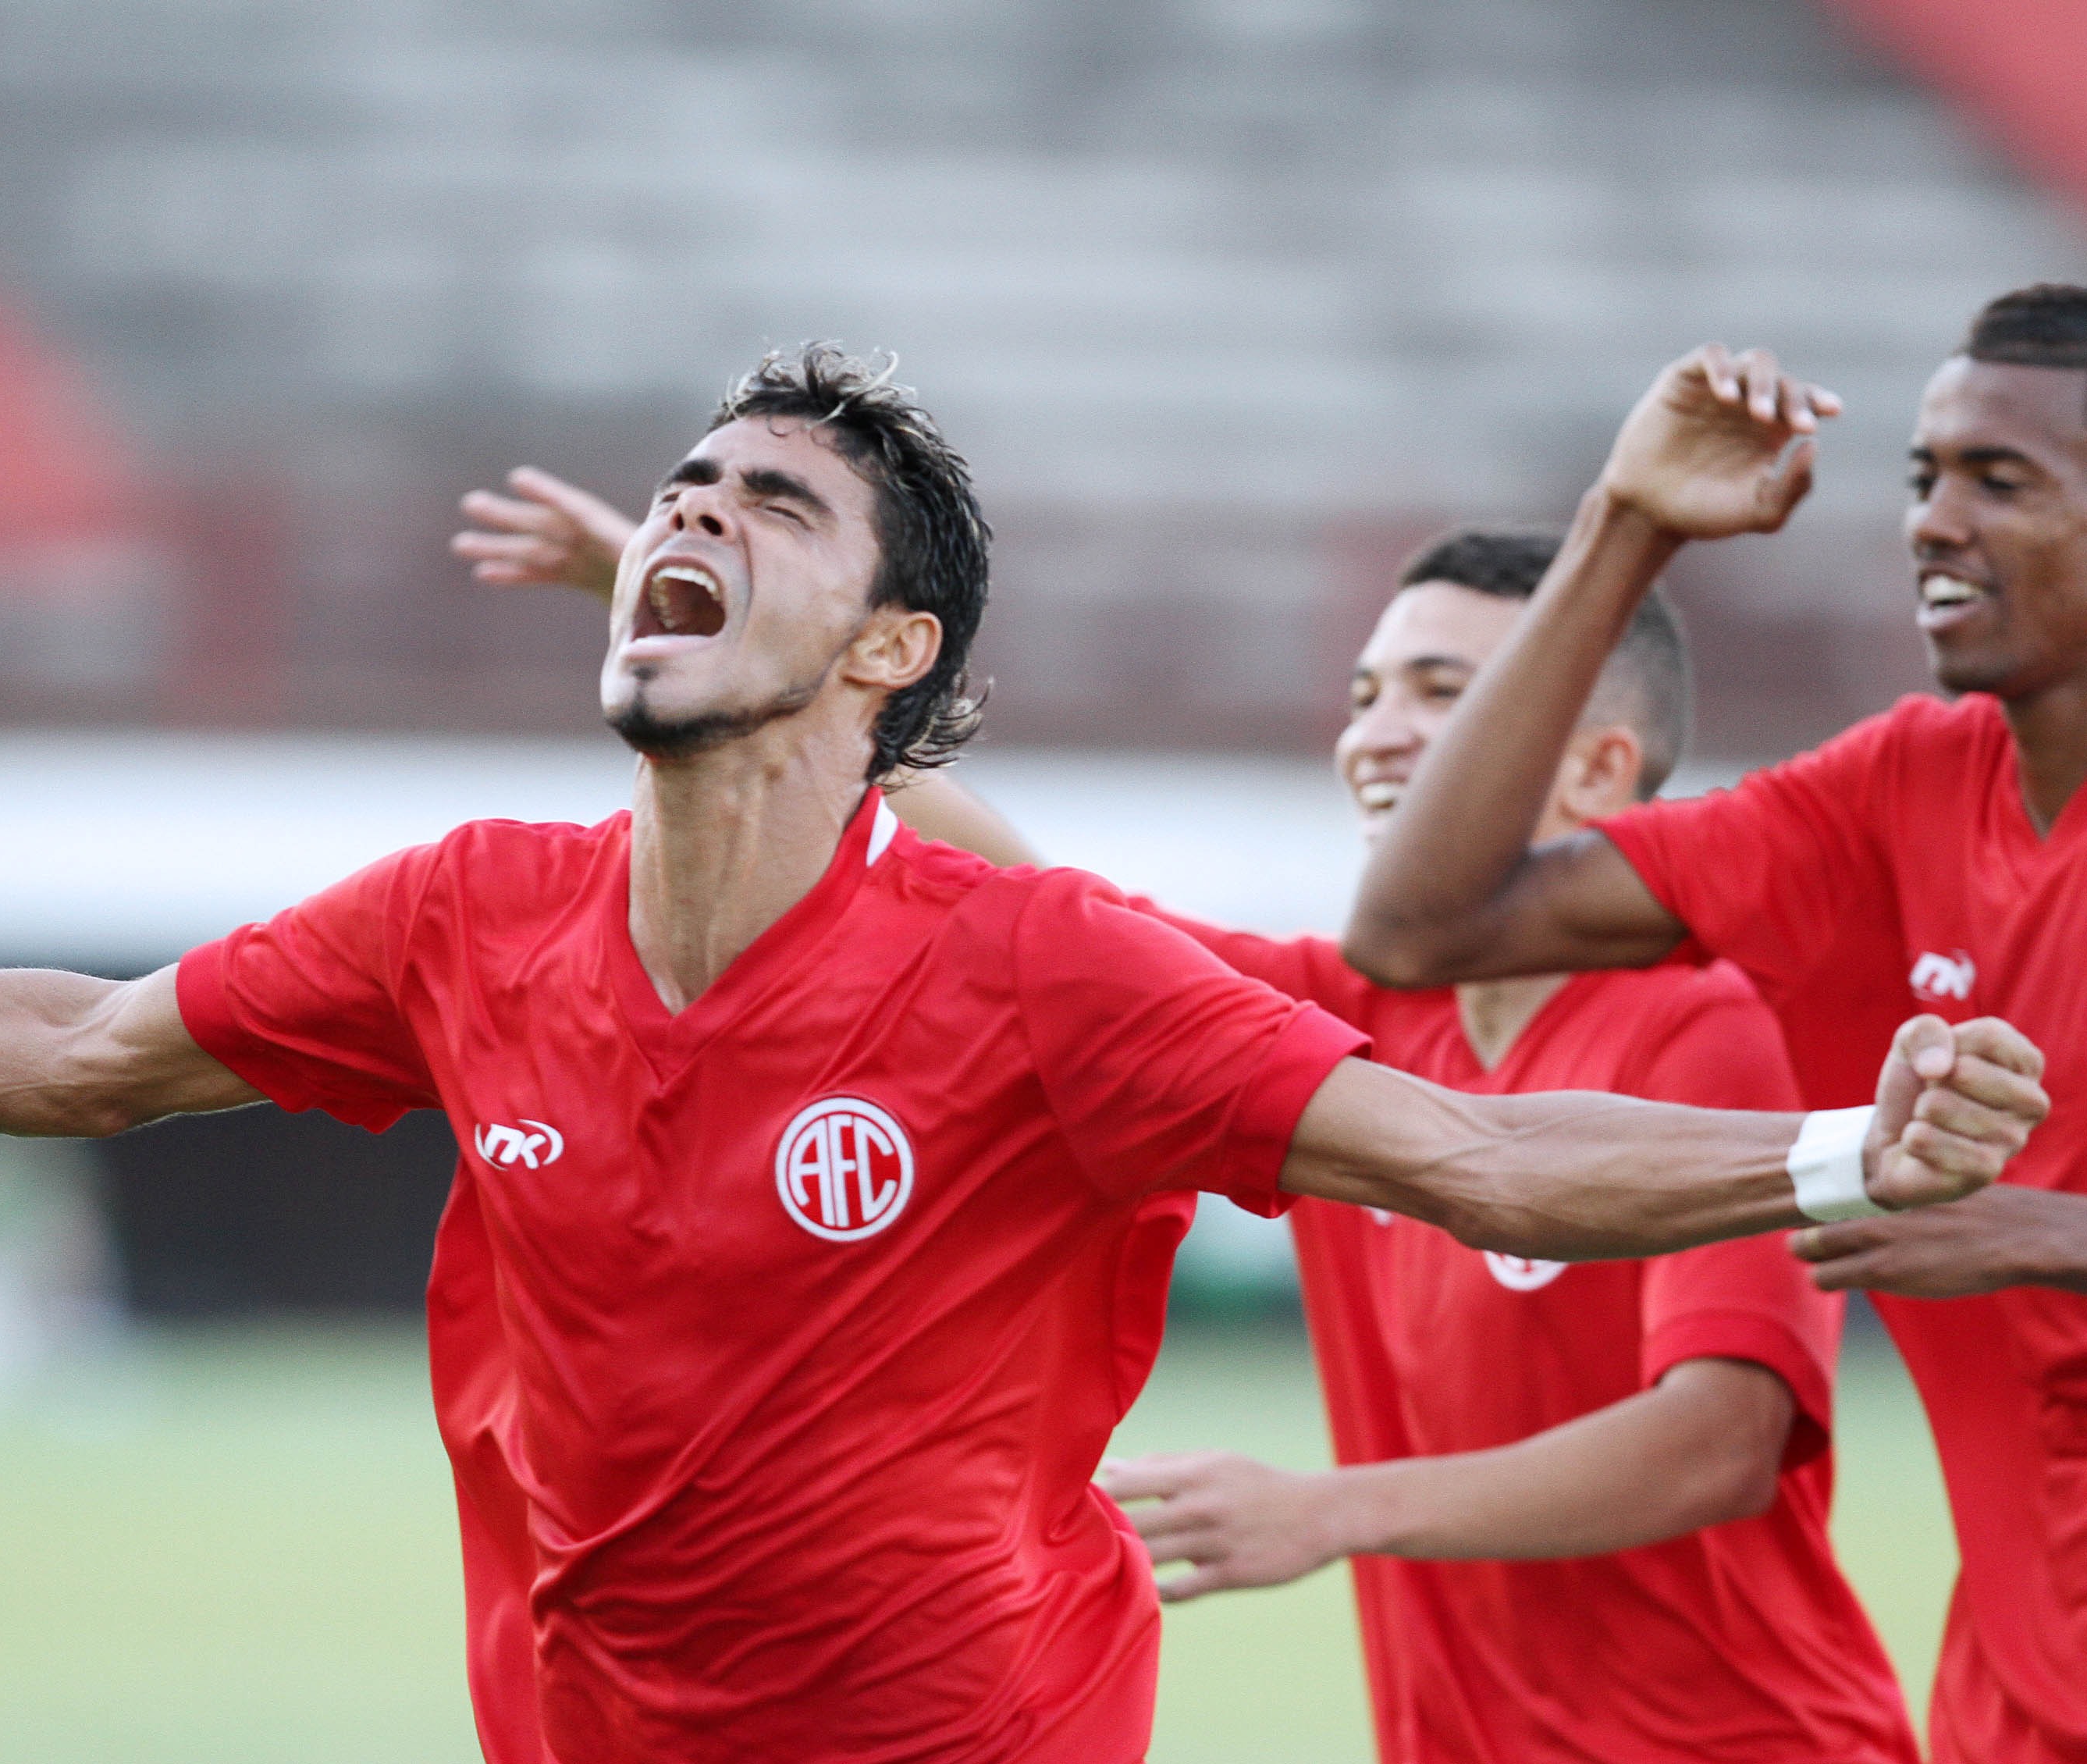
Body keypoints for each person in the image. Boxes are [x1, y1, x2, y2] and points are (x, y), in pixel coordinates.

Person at [0, 349, 2042, 1764]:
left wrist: (1828, 1144)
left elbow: (1483, 1163)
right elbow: (88, 1046)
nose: (695, 510)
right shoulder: (461, 918)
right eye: (684, 488)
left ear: (886, 658)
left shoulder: (1059, 978)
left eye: (769, 507)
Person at [453, 488, 1921, 1761]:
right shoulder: (1346, 1007)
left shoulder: (1703, 1023)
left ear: (1598, 764)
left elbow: (1721, 1440)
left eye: (1442, 694)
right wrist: (760, 663)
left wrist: (1334, 1510)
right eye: (1365, 696)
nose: (1382, 734)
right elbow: (1018, 902)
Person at [1342, 290, 2087, 1764]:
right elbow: (1421, 929)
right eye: (1922, 477)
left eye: (1999, 482)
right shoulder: (1901, 794)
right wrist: (1628, 525)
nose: (1934, 521)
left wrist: (2051, 1236)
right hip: (2012, 1707)